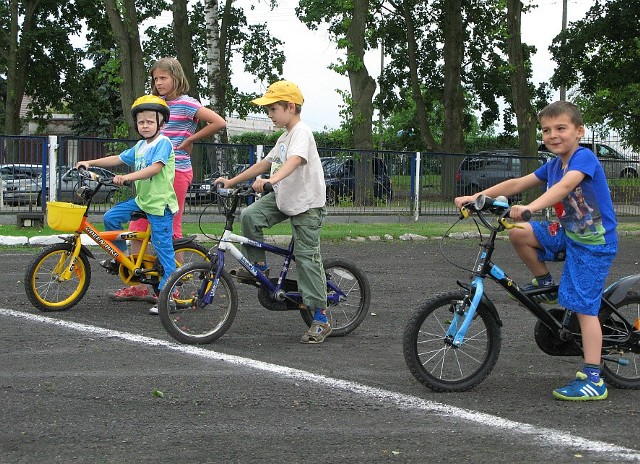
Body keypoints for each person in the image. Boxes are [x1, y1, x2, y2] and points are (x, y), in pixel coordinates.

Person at [454, 100, 618, 401]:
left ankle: (594, 378)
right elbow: (517, 182)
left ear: (579, 131)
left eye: (561, 128)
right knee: (518, 233)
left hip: (594, 244)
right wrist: (475, 196)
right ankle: (544, 283)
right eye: (546, 130)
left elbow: (565, 188)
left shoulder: (584, 159)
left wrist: (530, 207)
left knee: (584, 307)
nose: (553, 135)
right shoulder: (553, 164)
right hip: (567, 234)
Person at [214, 80, 331, 344]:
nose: (269, 114)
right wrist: (231, 182)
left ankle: (321, 318)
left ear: (290, 107)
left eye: (273, 108)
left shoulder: (302, 132)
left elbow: (294, 161)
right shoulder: (284, 137)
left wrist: (272, 180)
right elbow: (263, 164)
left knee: (306, 258)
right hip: (284, 199)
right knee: (250, 216)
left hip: (307, 205)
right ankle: (259, 267)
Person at [110, 57, 226, 306]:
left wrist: (189, 139)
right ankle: (138, 285)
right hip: (150, 173)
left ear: (176, 77)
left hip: (175, 173)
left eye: (163, 78)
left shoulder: (186, 104)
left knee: (171, 229)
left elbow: (219, 122)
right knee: (138, 226)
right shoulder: (154, 104)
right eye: (155, 79)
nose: (158, 82)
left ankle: (174, 285)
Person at [77, 95, 179, 310]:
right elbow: (118, 159)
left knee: (163, 248)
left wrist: (128, 177)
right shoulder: (141, 145)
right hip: (143, 201)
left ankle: (169, 295)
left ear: (162, 123)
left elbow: (155, 168)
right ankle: (122, 259)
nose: (145, 125)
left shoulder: (163, 143)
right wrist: (90, 163)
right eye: (141, 122)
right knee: (111, 217)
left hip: (160, 204)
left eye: (150, 121)